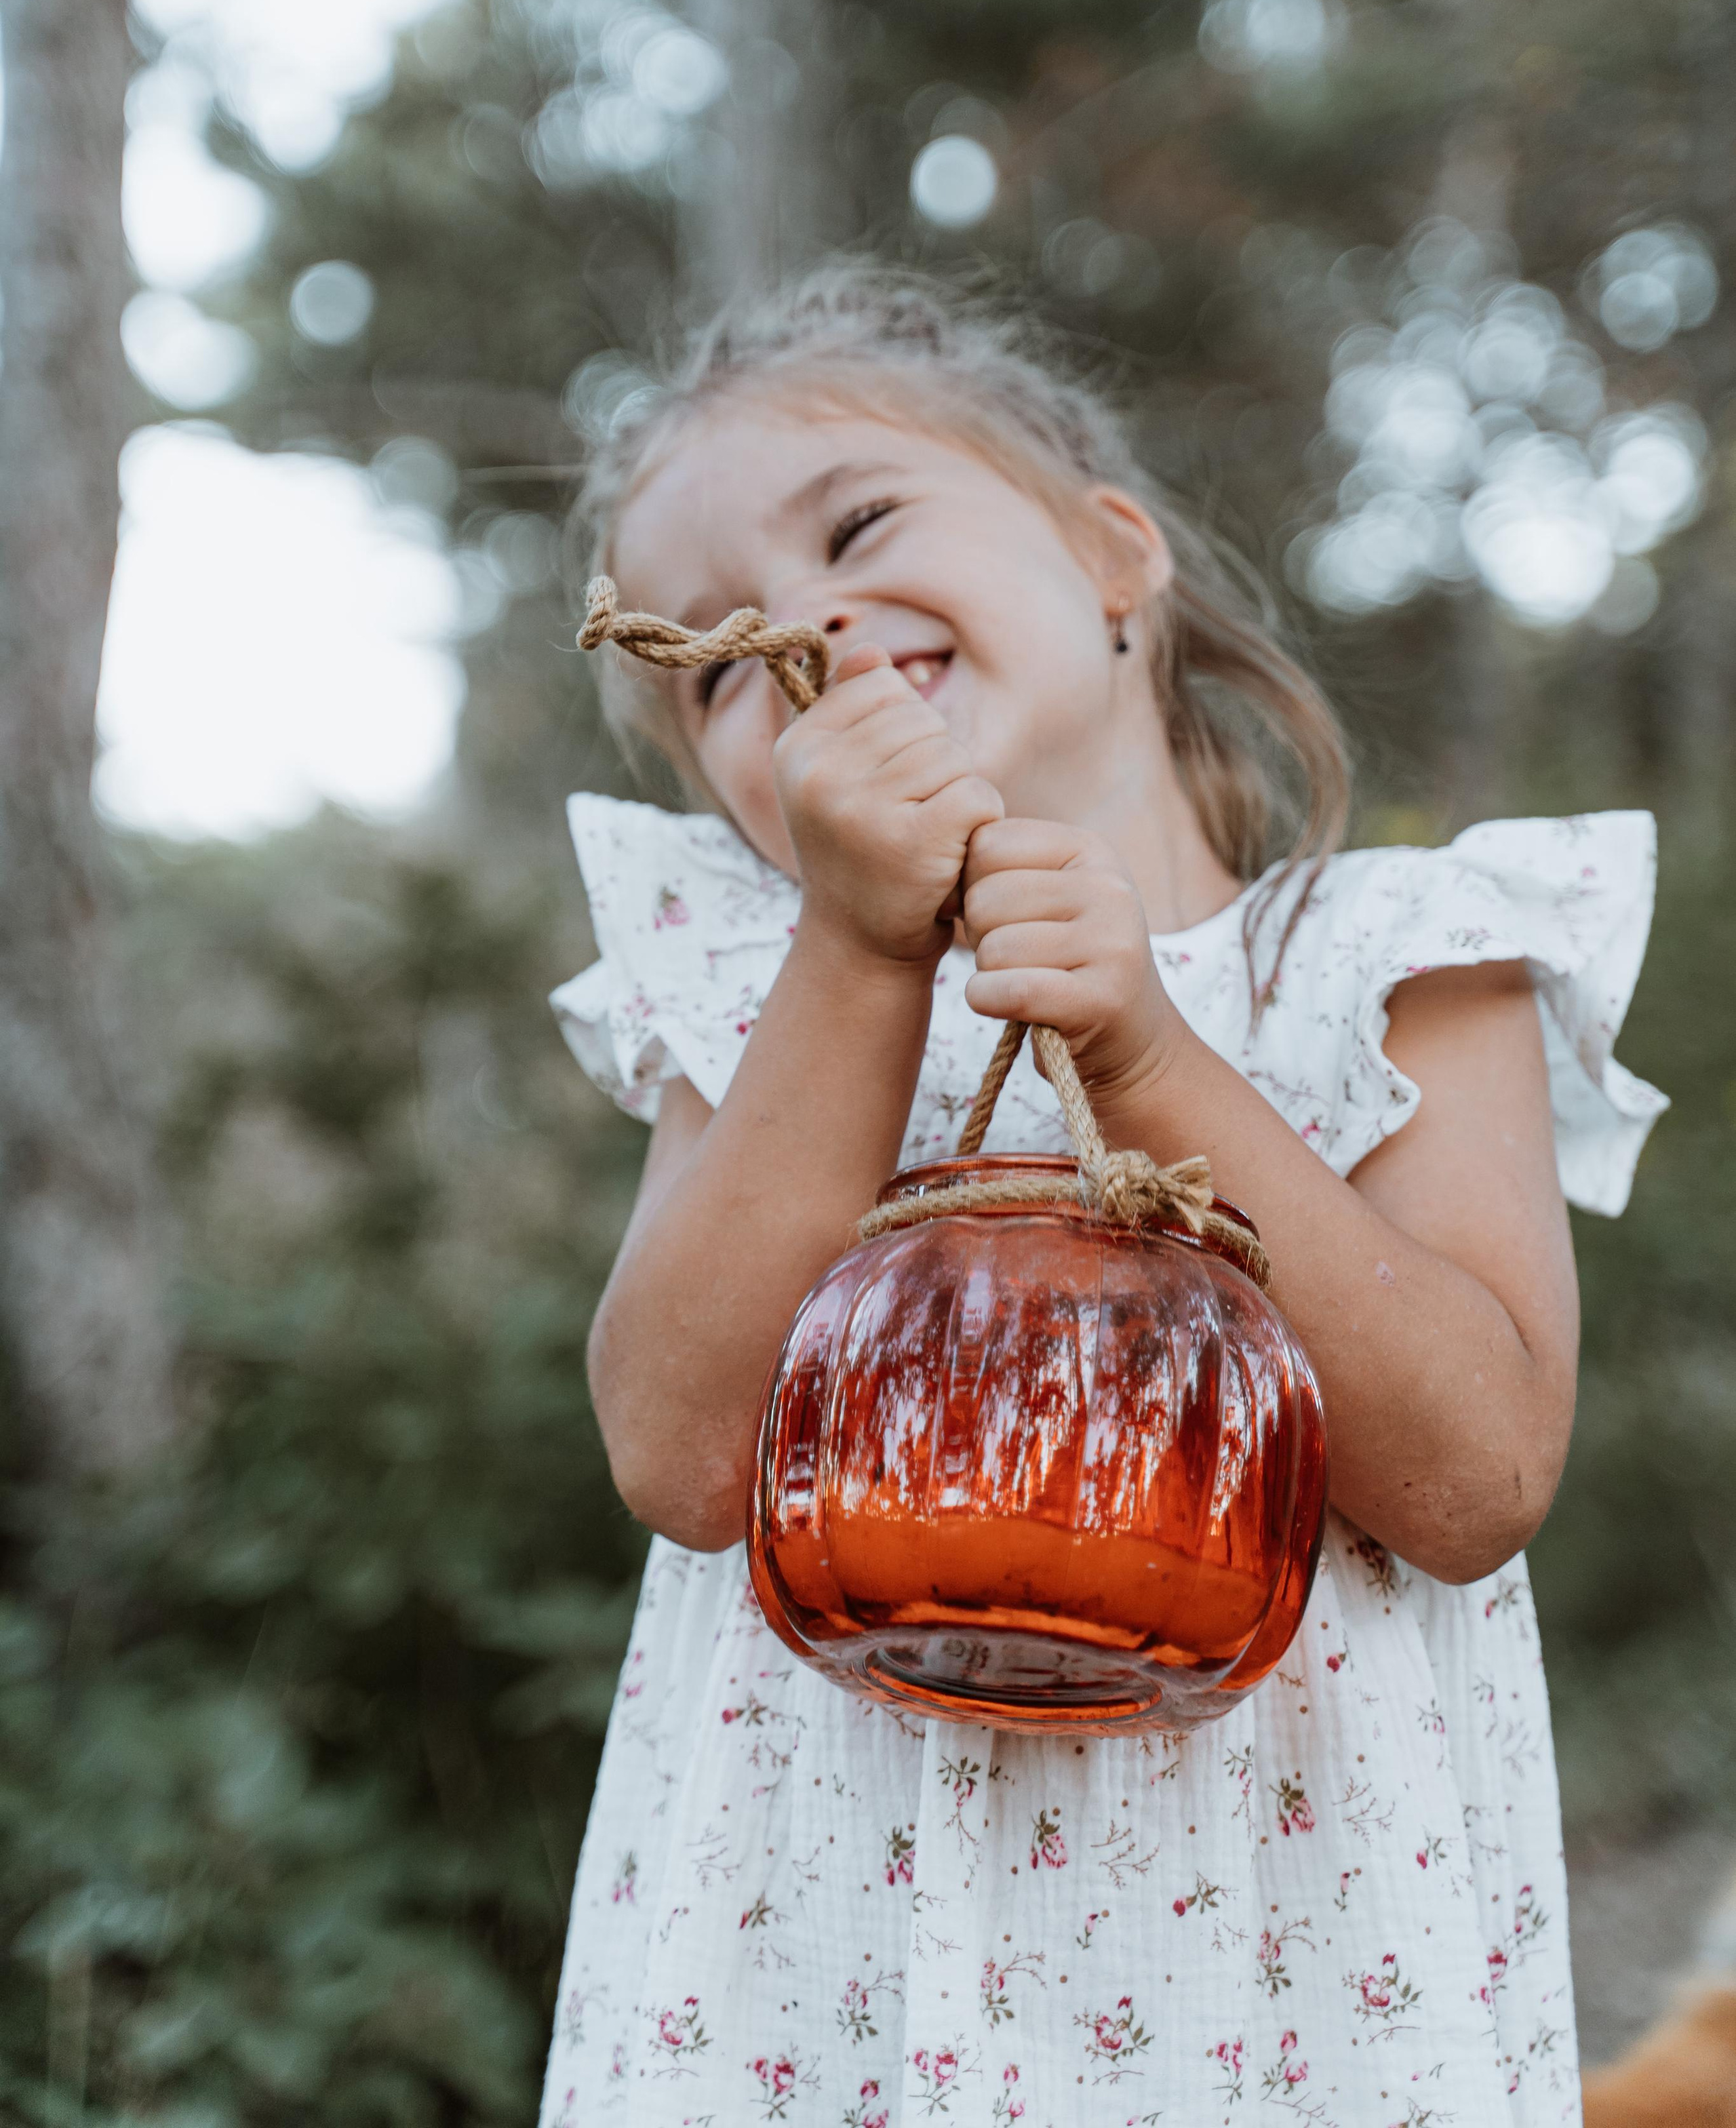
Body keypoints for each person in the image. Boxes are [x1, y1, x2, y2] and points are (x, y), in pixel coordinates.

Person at [540, 264, 1665, 2128]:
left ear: (1113, 557)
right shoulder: (757, 990)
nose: (804, 628)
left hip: (1294, 1978)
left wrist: (1148, 1055)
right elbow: (678, 1452)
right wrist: (855, 946)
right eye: (721, 661)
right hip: (828, 1991)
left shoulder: (1403, 956)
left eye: (865, 522)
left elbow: (1475, 1483)